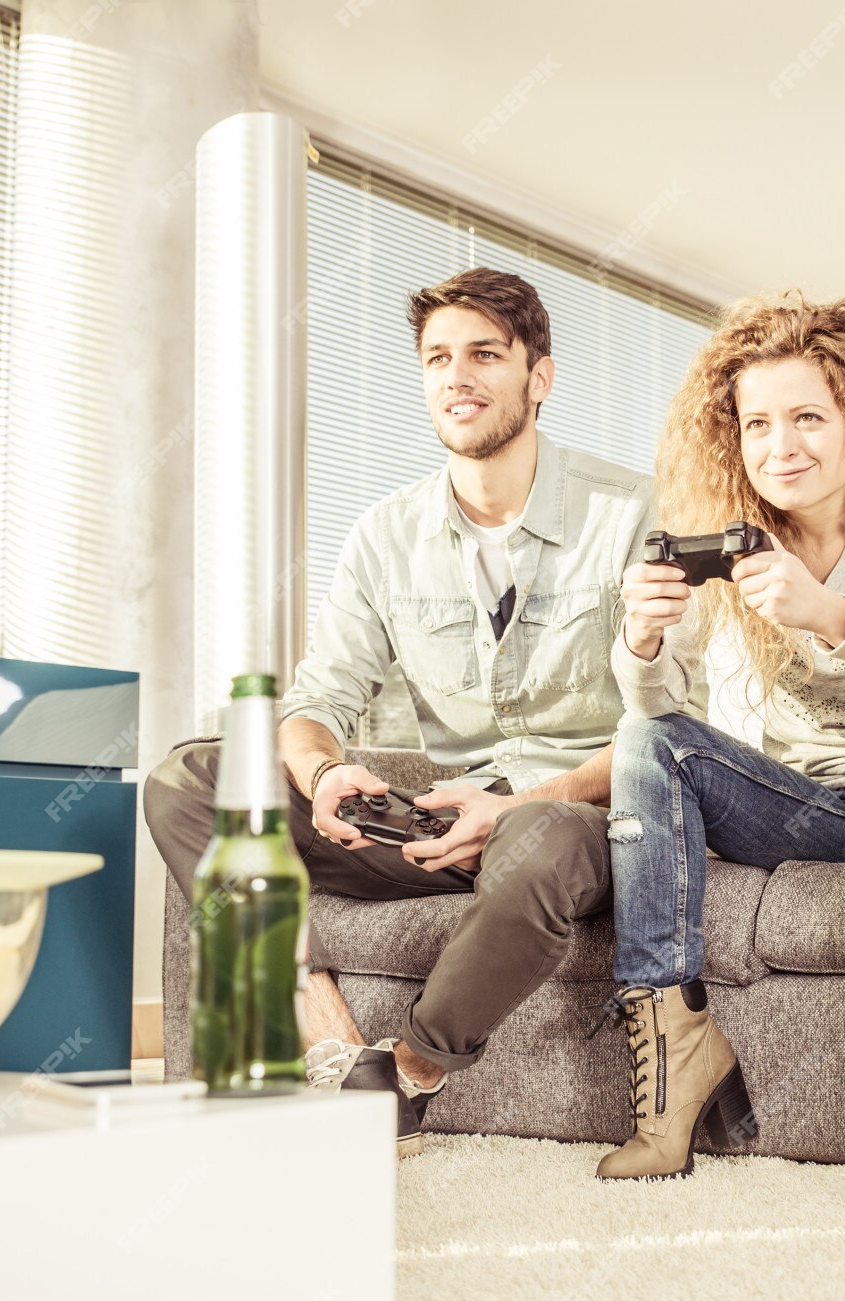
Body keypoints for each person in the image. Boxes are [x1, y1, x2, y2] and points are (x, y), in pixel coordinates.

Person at [144, 268, 653, 1157]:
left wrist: (530, 801)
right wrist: (327, 770)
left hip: (570, 816)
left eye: (485, 355)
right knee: (190, 777)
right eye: (437, 359)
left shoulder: (631, 513)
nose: (457, 377)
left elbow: (673, 719)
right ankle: (307, 1005)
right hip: (440, 821)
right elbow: (315, 699)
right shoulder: (385, 533)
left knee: (538, 840)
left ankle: (408, 1074)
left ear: (541, 375)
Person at [595, 292, 845, 1209]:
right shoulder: (722, 546)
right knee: (646, 736)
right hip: (800, 811)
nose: (782, 445)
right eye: (758, 423)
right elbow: (658, 704)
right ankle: (675, 1039)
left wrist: (829, 614)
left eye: (808, 417)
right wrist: (641, 639)